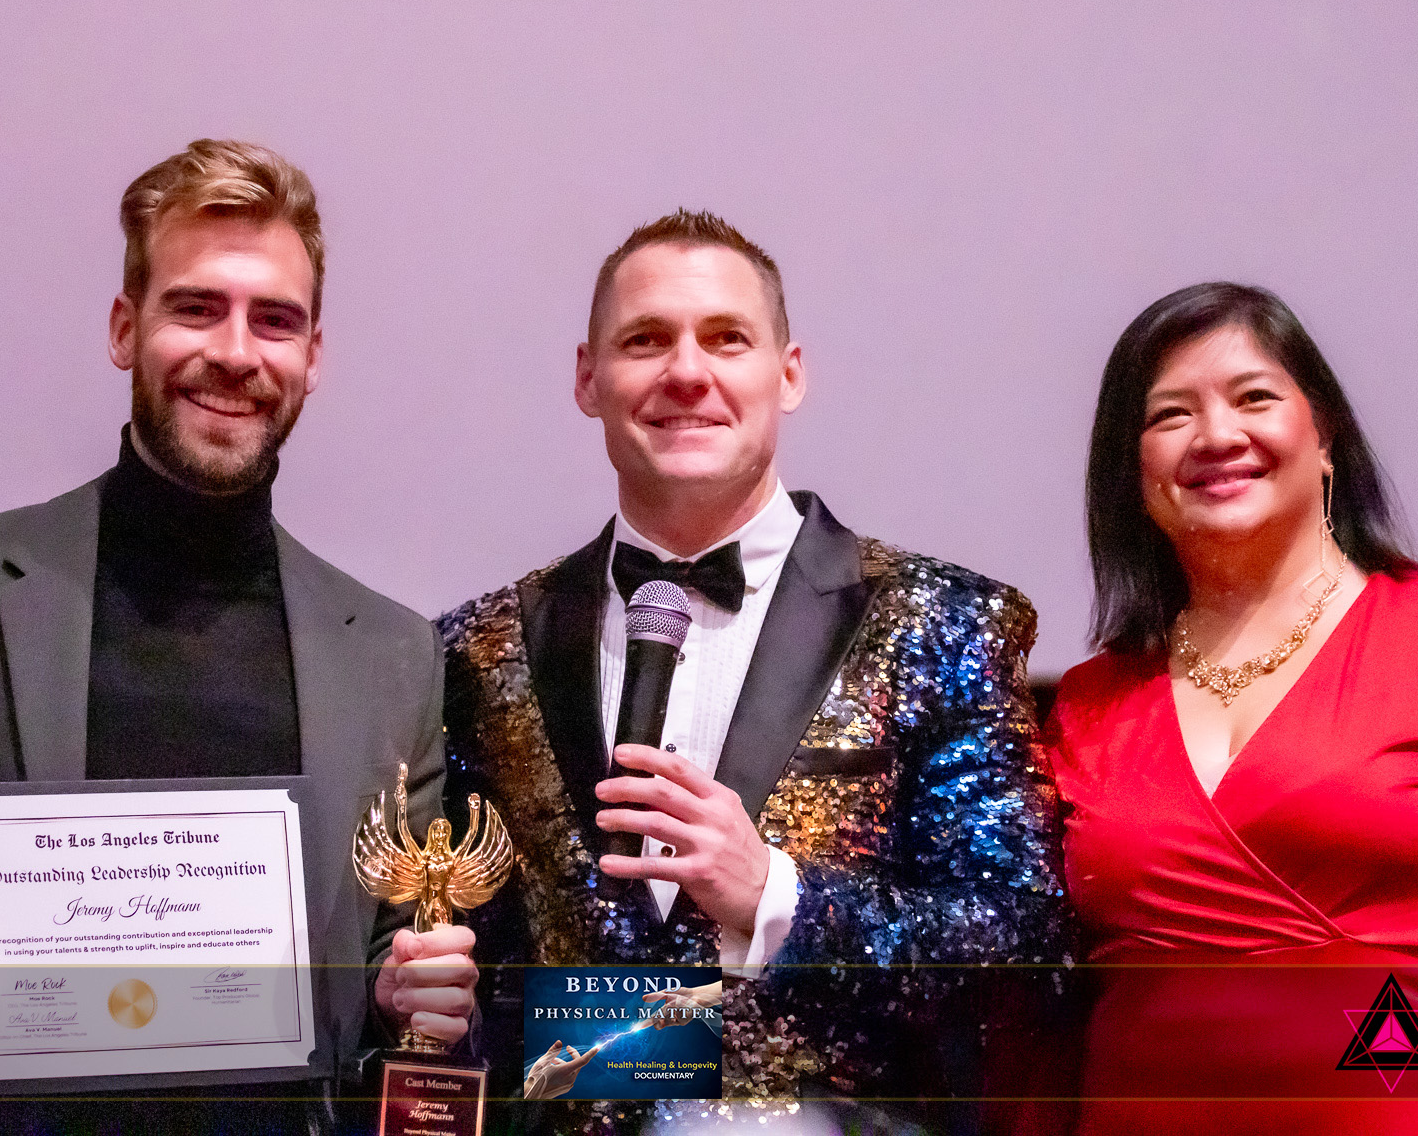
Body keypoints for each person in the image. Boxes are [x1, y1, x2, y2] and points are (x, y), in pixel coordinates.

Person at [0, 140, 476, 1123]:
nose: (235, 352)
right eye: (195, 308)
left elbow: (389, 940)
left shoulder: (392, 654)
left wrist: (403, 988)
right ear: (125, 329)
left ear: (312, 356)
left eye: (274, 320)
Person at [436, 210, 1068, 1130]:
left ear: (789, 372)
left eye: (726, 338)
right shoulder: (477, 648)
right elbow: (479, 969)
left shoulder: (944, 622)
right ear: (588, 378)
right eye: (645, 340)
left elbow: (1024, 949)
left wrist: (776, 897)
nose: (686, 372)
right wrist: (433, 1005)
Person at [1046, 281, 1418, 1134]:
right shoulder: (1087, 705)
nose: (1216, 435)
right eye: (1170, 415)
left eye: (1254, 397)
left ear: (1324, 435)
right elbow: (1041, 1013)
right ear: (1132, 474)